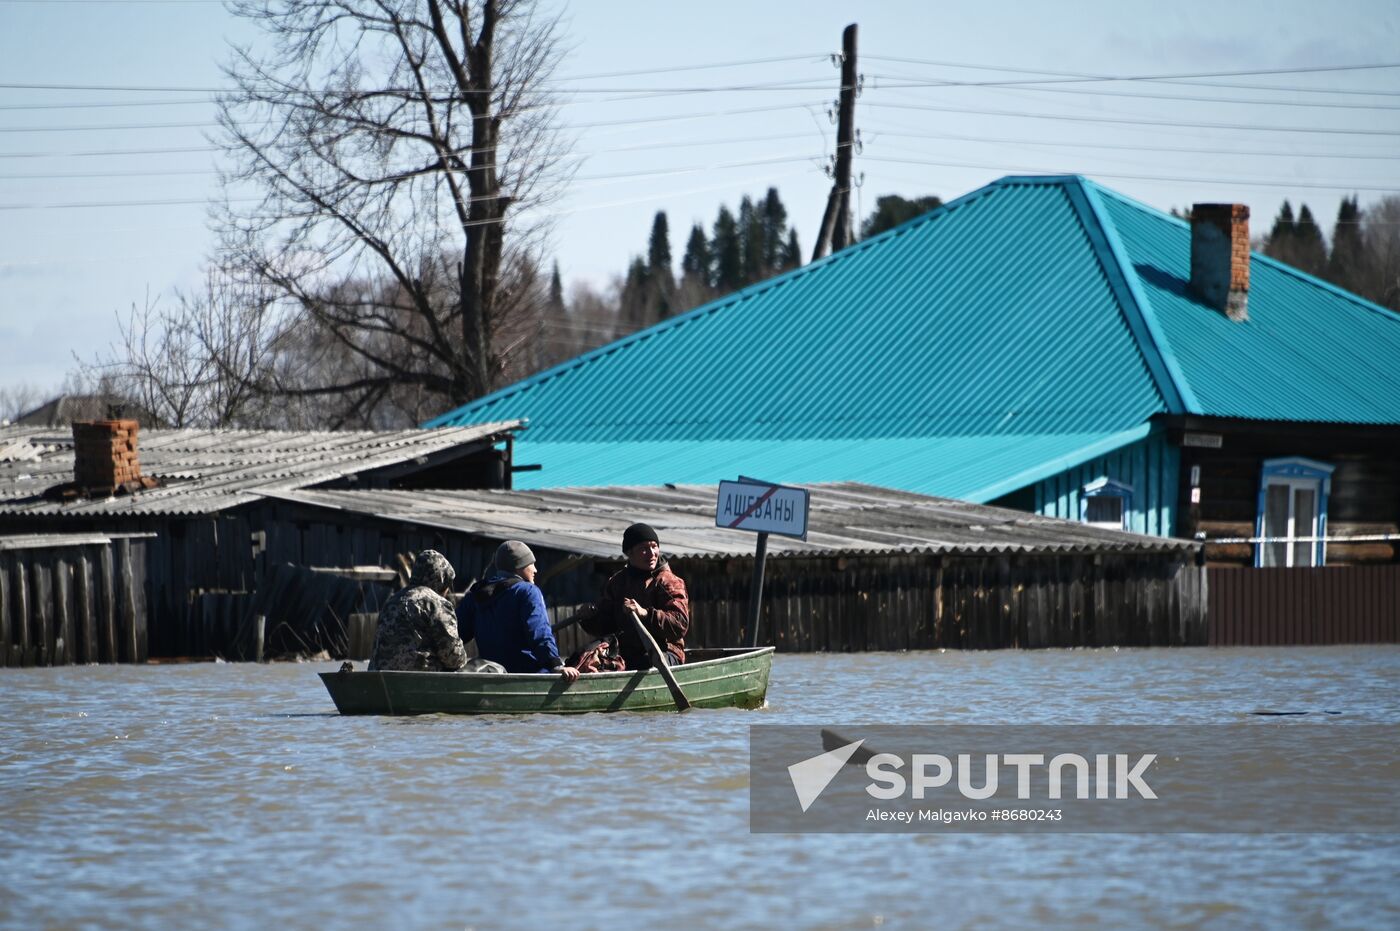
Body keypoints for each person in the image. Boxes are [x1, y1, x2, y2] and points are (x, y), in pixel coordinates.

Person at [458, 540, 579, 681]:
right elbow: (539, 633)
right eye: (531, 564)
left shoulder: (475, 595)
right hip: (528, 675)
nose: (535, 569)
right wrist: (556, 665)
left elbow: (456, 634)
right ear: (519, 566)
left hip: (490, 677)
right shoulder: (527, 591)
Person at [578, 522, 688, 669]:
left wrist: (645, 613)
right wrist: (589, 618)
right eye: (644, 549)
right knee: (585, 661)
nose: (651, 553)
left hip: (665, 652)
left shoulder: (668, 582)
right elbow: (606, 626)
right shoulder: (618, 583)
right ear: (629, 553)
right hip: (626, 654)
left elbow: (679, 625)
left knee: (645, 664)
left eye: (654, 546)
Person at [368, 549, 469, 672]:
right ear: (441, 580)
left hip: (380, 678)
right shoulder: (436, 603)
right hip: (418, 681)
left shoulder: (392, 601)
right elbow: (453, 658)